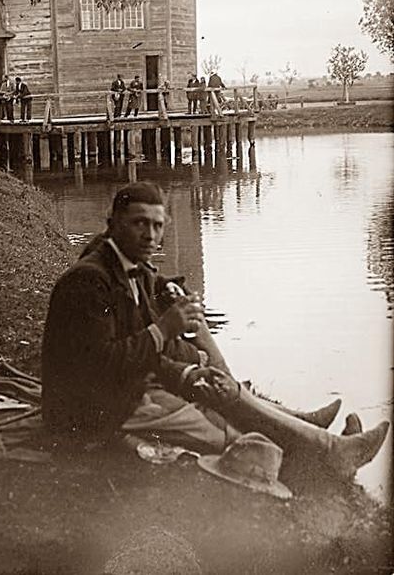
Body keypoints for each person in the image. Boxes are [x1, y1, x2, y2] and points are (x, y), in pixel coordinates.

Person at [41, 182, 389, 481]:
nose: (150, 235)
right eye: (139, 224)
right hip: (96, 411)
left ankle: (319, 440)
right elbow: (99, 364)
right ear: (112, 224)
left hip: (127, 389)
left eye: (158, 226)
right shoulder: (88, 282)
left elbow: (142, 324)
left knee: (218, 394)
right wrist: (165, 331)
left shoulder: (128, 263)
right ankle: (326, 456)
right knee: (229, 435)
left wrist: (188, 363)